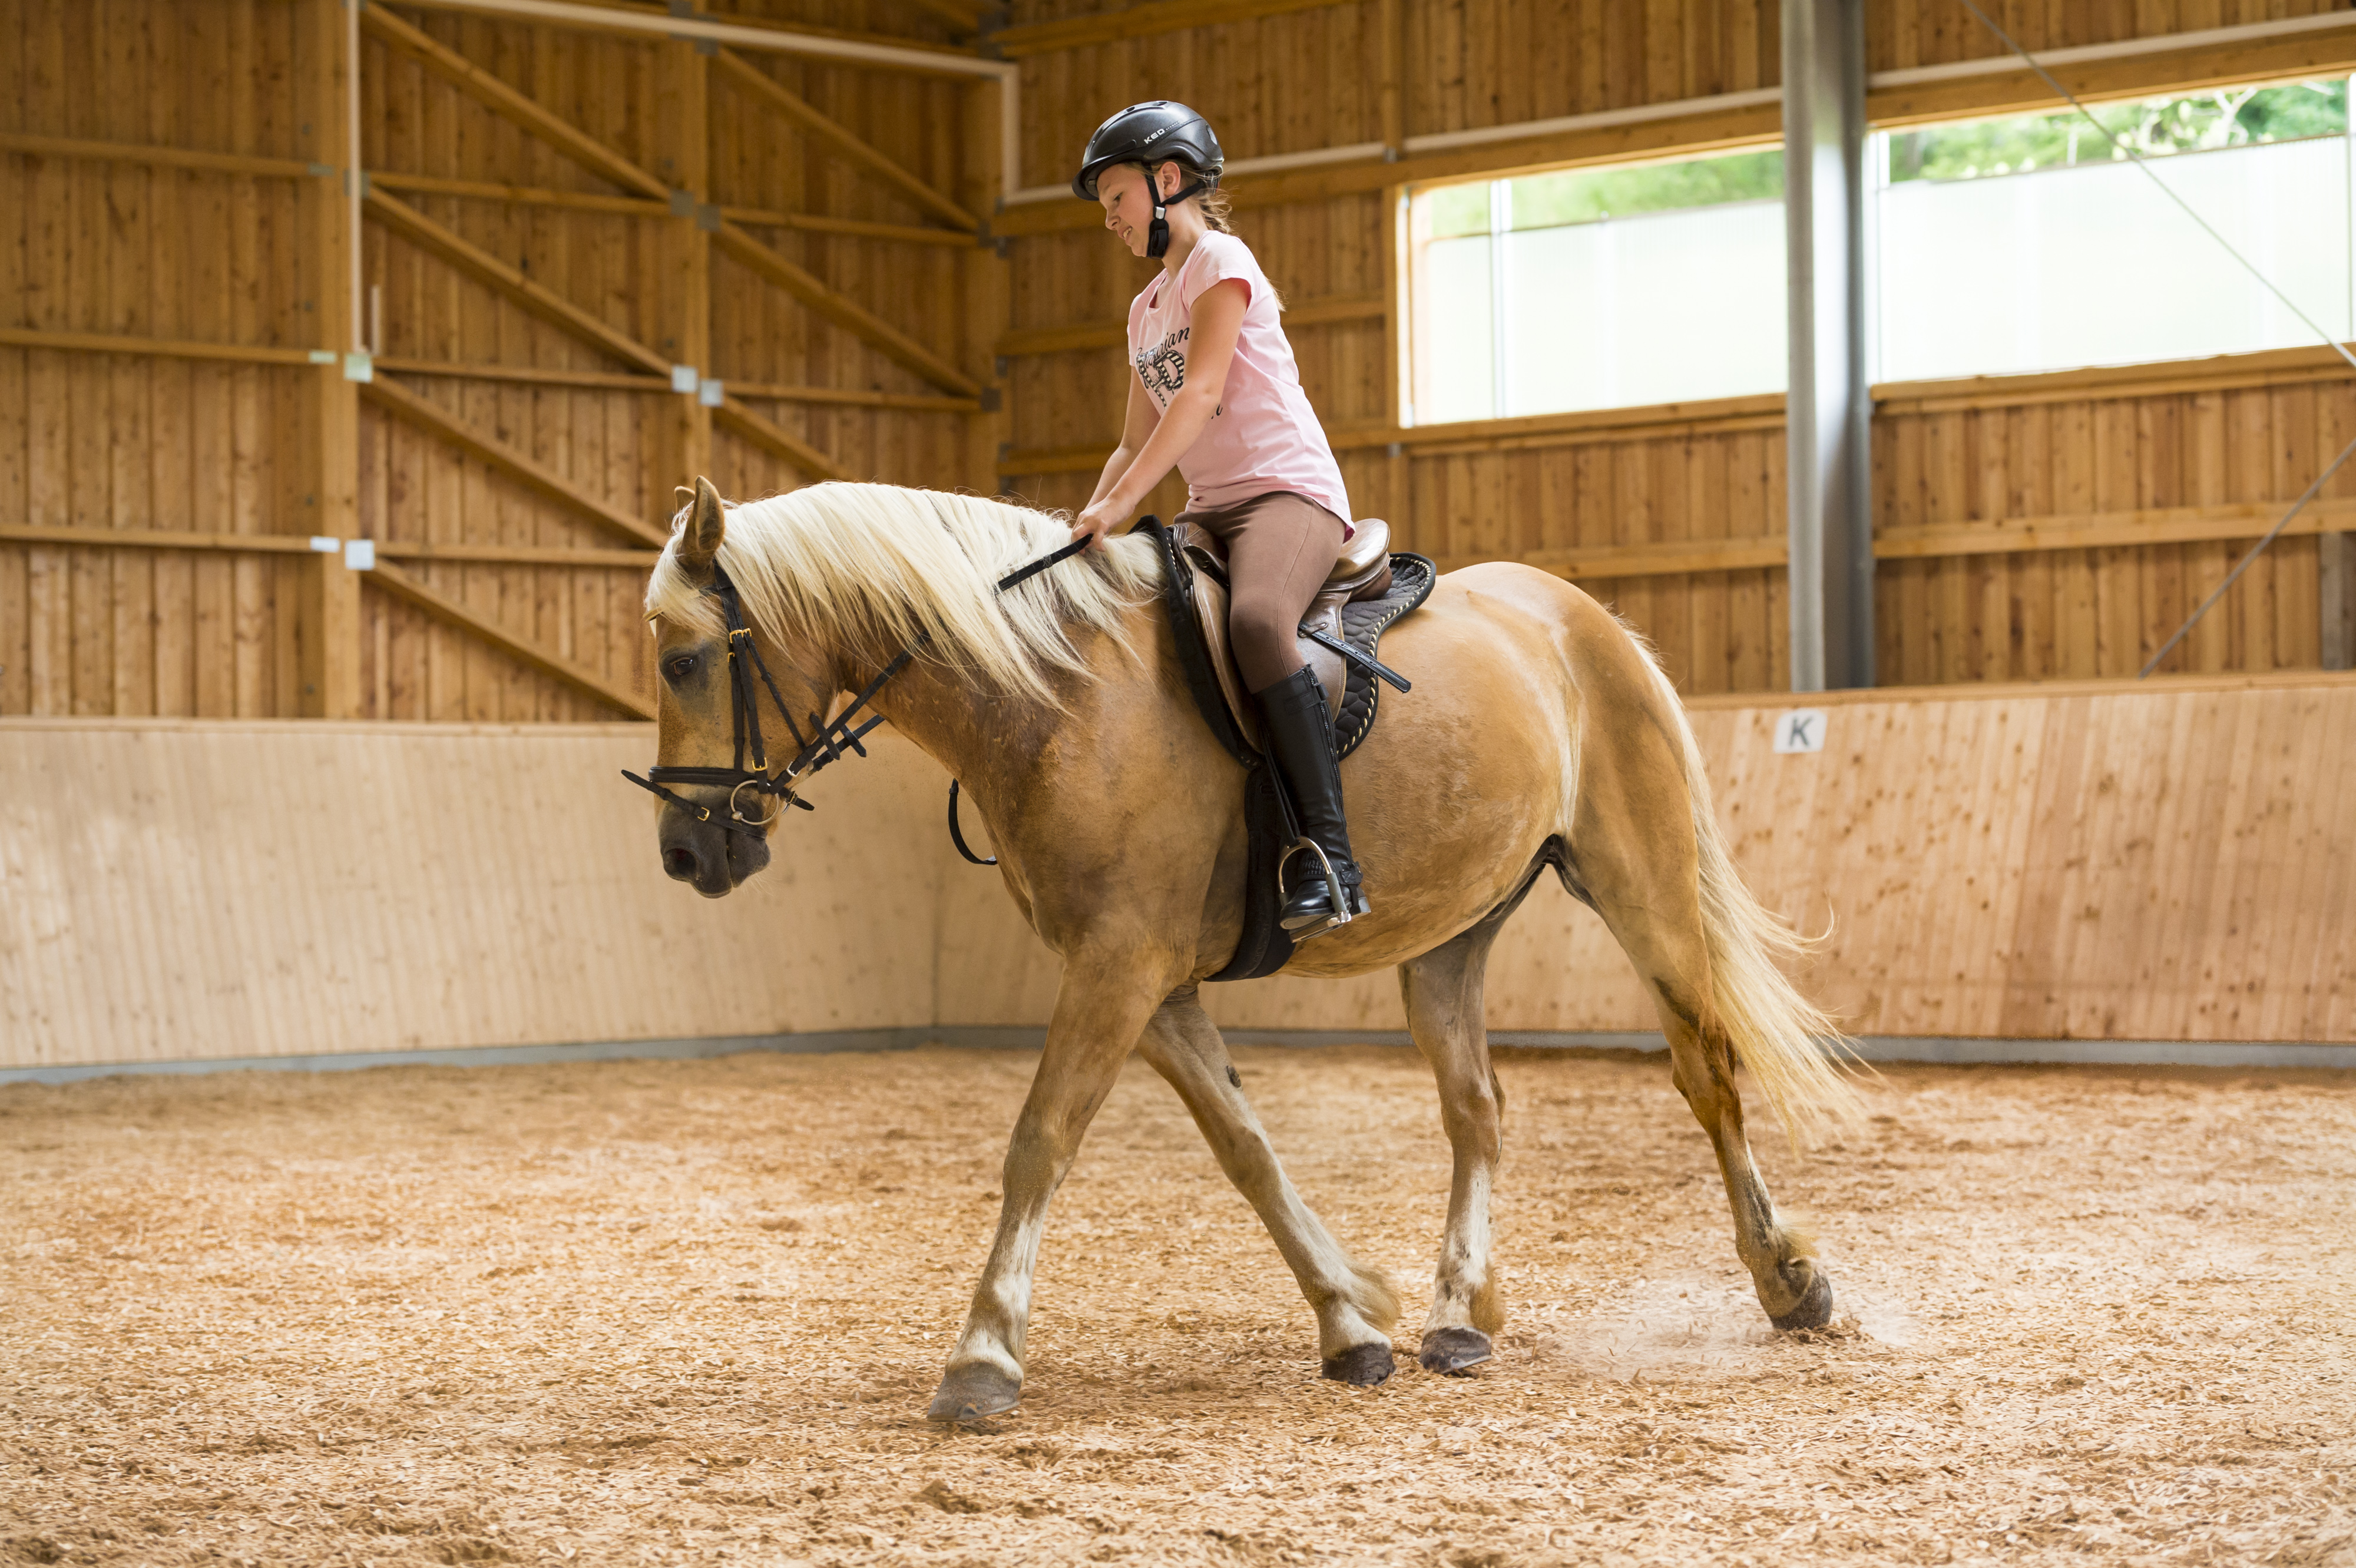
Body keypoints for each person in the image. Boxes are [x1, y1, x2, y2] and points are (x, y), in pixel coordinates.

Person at [1066, 100, 1369, 938]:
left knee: (1261, 622)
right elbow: (1132, 442)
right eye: (1105, 210)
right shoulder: (1143, 312)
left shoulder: (1220, 262)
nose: (1113, 221)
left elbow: (1198, 396)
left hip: (1286, 493)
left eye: (1117, 200)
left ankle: (1331, 859)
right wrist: (1087, 520)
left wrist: (1124, 508)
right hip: (1208, 510)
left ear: (1167, 182)